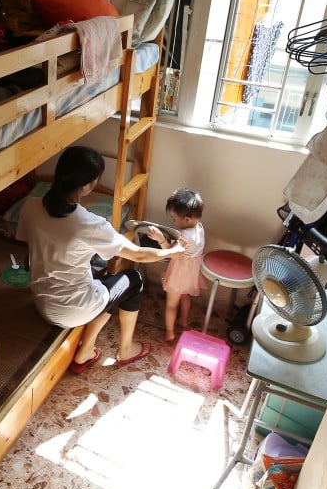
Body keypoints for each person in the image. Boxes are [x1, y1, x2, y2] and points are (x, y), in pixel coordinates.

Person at [17, 146, 187, 373]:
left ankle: (87, 349)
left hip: (42, 302)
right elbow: (137, 253)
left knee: (109, 281)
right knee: (133, 279)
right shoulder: (90, 224)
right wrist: (170, 252)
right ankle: (125, 350)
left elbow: (27, 255)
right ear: (88, 185)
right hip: (73, 310)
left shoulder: (31, 206)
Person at [147, 188, 205, 343]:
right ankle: (183, 320)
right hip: (191, 272)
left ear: (186, 219)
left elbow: (169, 253)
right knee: (185, 296)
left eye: (174, 219)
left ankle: (170, 333)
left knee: (171, 304)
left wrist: (160, 239)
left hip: (179, 272)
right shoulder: (199, 227)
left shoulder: (184, 238)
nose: (173, 222)